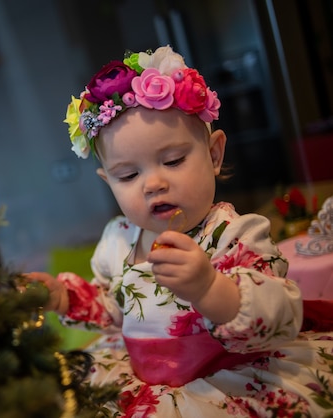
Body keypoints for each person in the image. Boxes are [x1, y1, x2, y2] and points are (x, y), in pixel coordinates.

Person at [25, 45, 333, 417]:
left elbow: (279, 316)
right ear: (108, 182)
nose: (153, 183)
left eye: (172, 161)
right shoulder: (117, 239)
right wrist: (63, 298)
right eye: (128, 175)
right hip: (142, 379)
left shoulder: (232, 235)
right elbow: (115, 309)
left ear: (214, 155)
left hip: (228, 379)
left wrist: (209, 288)